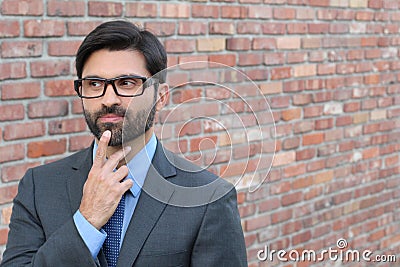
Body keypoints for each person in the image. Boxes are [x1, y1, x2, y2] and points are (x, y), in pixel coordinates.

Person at [1, 20, 247, 267]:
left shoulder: (208, 197)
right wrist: (86, 222)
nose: (109, 99)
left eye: (126, 83)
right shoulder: (39, 187)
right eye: (94, 84)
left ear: (160, 97)